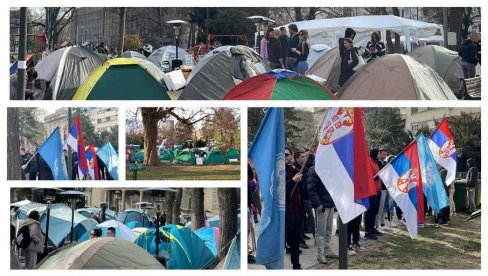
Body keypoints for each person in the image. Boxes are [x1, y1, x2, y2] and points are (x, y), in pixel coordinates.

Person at [307, 163, 338, 264]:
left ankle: (327, 249)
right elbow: (311, 189)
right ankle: (321, 253)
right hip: (321, 205)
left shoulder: (330, 168)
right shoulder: (314, 170)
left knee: (329, 230)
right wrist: (317, 204)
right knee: (321, 231)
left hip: (330, 203)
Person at [284, 147, 303, 269]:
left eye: (286, 154)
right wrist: (292, 180)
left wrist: (301, 180)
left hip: (297, 211)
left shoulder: (294, 169)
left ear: (291, 156)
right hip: (284, 212)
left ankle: (296, 266)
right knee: (282, 241)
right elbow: (279, 190)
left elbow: (302, 192)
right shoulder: (278, 170)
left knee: (296, 242)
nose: (284, 157)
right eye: (282, 155)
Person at [375, 148, 389, 233]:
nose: (384, 156)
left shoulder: (385, 163)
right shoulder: (377, 163)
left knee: (384, 207)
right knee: (380, 207)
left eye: (385, 154)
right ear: (379, 154)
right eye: (383, 154)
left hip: (386, 187)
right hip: (381, 188)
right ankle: (377, 225)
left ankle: (382, 223)